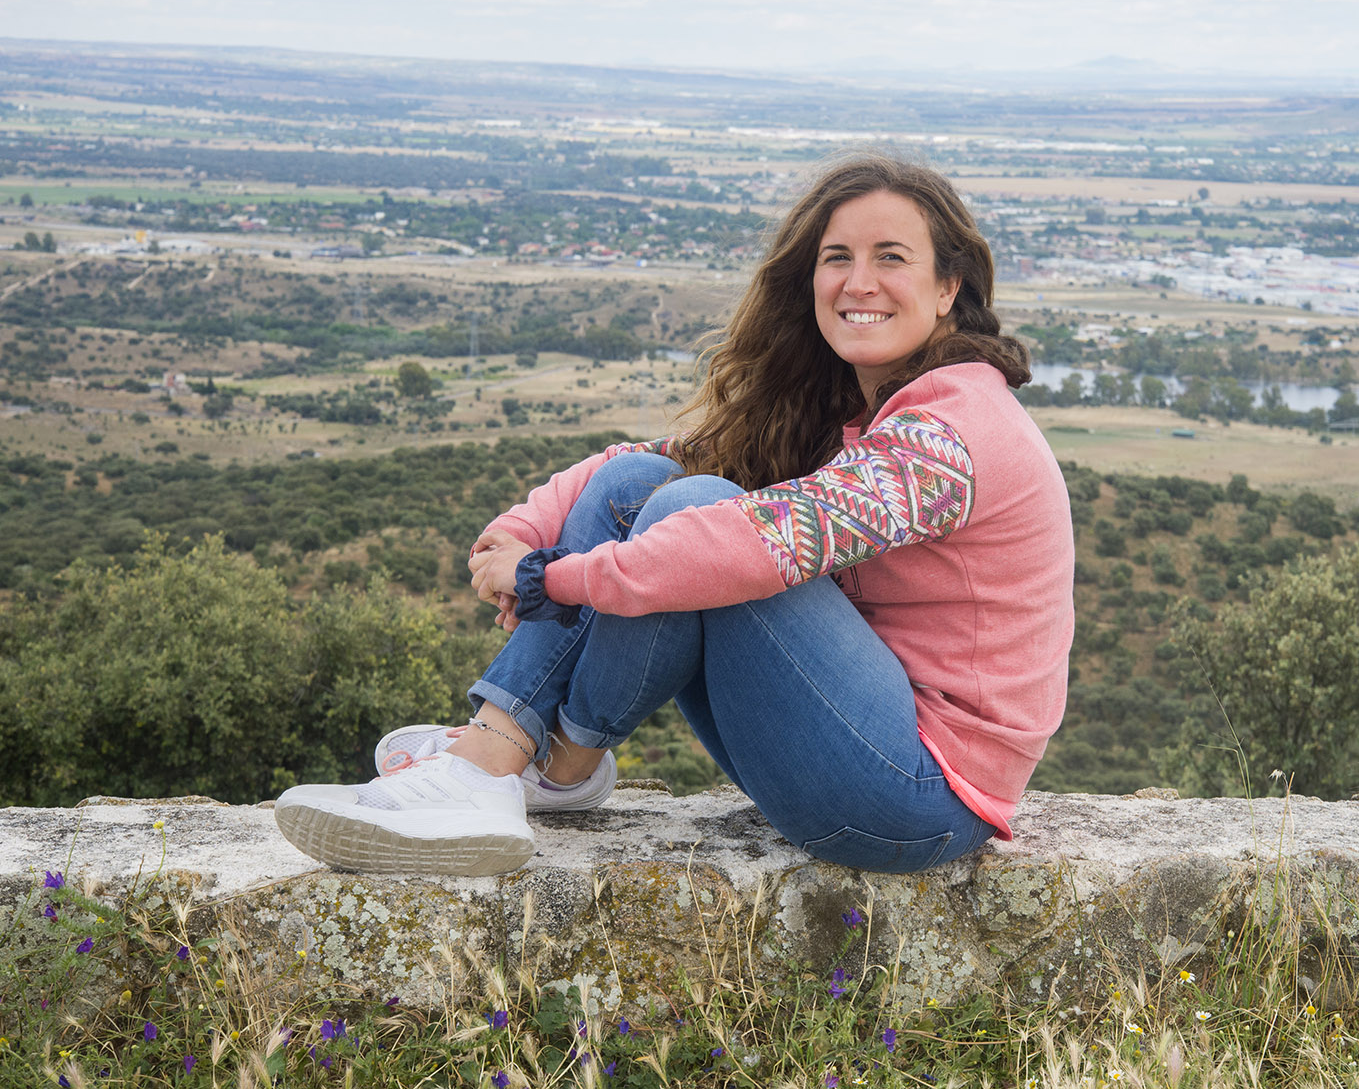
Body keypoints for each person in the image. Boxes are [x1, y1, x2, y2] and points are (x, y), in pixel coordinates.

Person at [274, 153, 1075, 877]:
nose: (858, 281)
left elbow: (758, 543)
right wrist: (530, 522)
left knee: (696, 515)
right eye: (838, 258)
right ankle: (545, 765)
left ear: (948, 289)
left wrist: (554, 576)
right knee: (649, 481)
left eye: (890, 258)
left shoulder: (952, 430)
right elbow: (661, 460)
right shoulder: (855, 409)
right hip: (855, 738)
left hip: (920, 796)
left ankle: (493, 767)